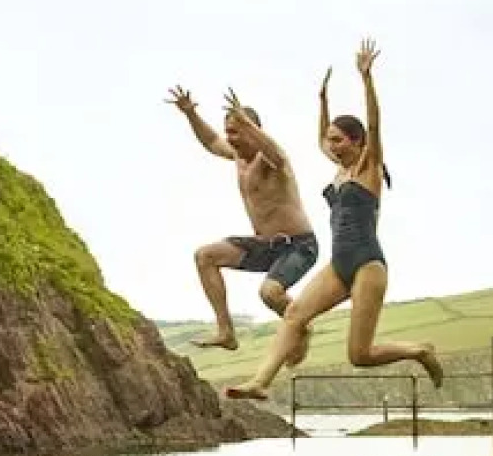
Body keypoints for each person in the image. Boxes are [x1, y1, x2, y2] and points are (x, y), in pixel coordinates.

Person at [225, 37, 443, 400]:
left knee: (360, 355)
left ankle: (419, 350)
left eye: (339, 141)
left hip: (367, 265)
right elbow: (321, 137)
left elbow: (374, 125)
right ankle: (260, 382)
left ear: (357, 142)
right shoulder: (339, 172)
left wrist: (366, 79)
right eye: (330, 141)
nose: (332, 146)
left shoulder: (368, 168)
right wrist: (322, 102)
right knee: (294, 314)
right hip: (338, 264)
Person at [166, 83, 319, 362]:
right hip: (264, 244)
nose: (231, 138)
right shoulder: (237, 157)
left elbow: (277, 153)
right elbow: (211, 142)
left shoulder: (273, 161)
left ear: (253, 130)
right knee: (205, 256)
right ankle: (226, 332)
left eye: (236, 131)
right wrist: (190, 114)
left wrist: (248, 124)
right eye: (229, 132)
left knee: (270, 293)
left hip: (298, 246)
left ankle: (303, 324)